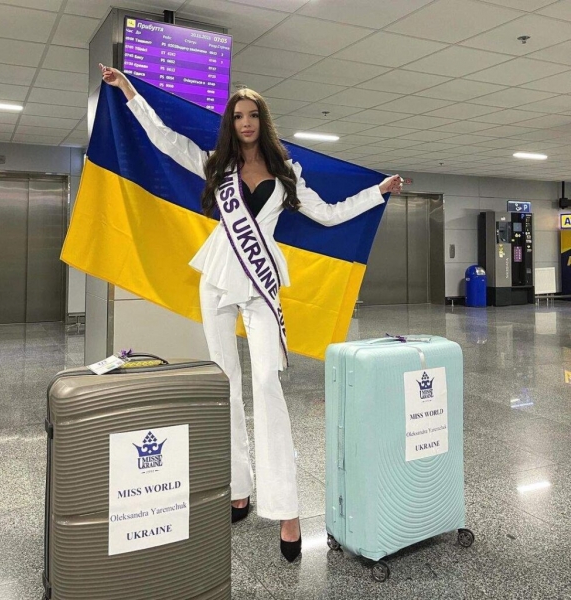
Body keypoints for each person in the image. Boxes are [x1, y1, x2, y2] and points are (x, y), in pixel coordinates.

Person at [99, 64, 403, 562]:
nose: (245, 122)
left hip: (261, 283)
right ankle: (238, 486)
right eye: (238, 115)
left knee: (266, 384)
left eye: (252, 115)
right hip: (218, 276)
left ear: (263, 121)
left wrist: (378, 193)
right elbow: (163, 139)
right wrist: (129, 89)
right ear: (231, 122)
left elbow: (328, 214)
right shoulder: (215, 165)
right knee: (225, 383)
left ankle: (286, 508)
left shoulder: (287, 174)